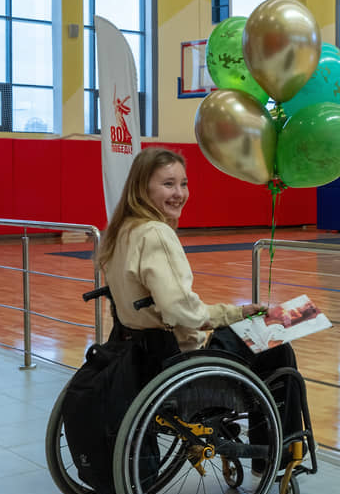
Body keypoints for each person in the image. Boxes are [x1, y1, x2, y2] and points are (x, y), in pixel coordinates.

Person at [97, 146, 302, 469]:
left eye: (183, 183)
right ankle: (282, 452)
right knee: (278, 340)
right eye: (168, 184)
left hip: (138, 352)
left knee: (268, 329)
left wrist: (235, 314)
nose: (179, 193)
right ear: (143, 188)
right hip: (178, 363)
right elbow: (183, 313)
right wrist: (235, 314)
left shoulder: (122, 231)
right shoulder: (156, 234)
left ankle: (275, 450)